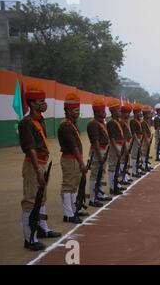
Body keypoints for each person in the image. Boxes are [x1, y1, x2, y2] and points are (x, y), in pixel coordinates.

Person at [18, 83, 62, 251]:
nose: (44, 104)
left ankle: (42, 228)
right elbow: (30, 148)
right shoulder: (26, 122)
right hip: (33, 165)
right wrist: (37, 170)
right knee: (30, 200)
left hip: (42, 164)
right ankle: (29, 238)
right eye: (41, 101)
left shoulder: (39, 120)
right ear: (32, 103)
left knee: (41, 198)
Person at [58, 93, 88, 224]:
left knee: (73, 186)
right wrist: (81, 163)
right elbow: (73, 146)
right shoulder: (65, 125)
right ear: (68, 110)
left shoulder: (71, 124)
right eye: (75, 110)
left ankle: (73, 209)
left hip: (74, 159)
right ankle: (68, 214)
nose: (77, 113)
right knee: (67, 186)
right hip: (70, 159)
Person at [87, 99, 111, 207]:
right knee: (95, 174)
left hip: (103, 150)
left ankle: (99, 193)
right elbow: (95, 141)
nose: (104, 112)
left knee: (101, 174)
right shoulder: (93, 124)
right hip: (98, 151)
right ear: (96, 112)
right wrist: (99, 155)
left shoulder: (100, 123)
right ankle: (93, 198)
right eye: (102, 111)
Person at [106, 99, 126, 196]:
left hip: (119, 145)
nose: (120, 112)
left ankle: (116, 184)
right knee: (113, 166)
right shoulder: (111, 123)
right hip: (115, 146)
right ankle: (112, 187)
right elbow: (112, 137)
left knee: (117, 166)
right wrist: (117, 150)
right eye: (118, 110)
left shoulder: (117, 121)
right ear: (113, 111)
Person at [119, 102, 133, 185]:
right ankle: (123, 177)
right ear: (123, 113)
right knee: (122, 160)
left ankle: (125, 175)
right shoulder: (121, 122)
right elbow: (122, 135)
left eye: (129, 113)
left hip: (127, 142)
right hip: (123, 143)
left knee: (126, 160)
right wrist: (124, 146)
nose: (128, 114)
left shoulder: (125, 121)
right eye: (127, 113)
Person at [130, 103, 144, 177]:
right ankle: (134, 172)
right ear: (135, 112)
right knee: (134, 155)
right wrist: (137, 141)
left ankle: (137, 170)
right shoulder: (133, 121)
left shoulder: (138, 121)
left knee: (138, 155)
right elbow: (133, 132)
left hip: (139, 138)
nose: (140, 113)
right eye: (139, 112)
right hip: (136, 139)